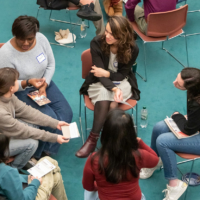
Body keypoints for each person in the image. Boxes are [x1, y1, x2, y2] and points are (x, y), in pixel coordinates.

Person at [0, 16, 73, 159]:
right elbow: (6, 85)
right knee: (50, 118)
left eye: (30, 39)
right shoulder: (5, 54)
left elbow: (51, 64)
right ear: (15, 35)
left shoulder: (42, 39)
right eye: (22, 39)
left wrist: (45, 83)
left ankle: (48, 150)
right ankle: (39, 154)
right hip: (21, 89)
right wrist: (28, 82)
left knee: (66, 114)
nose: (26, 43)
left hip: (44, 82)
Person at [77, 16, 140, 158]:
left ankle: (102, 140)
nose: (107, 35)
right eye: (106, 31)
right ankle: (96, 139)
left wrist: (107, 73)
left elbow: (122, 74)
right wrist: (114, 88)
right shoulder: (97, 42)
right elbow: (98, 74)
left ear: (123, 37)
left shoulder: (133, 48)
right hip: (99, 82)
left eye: (112, 34)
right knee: (106, 98)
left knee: (112, 106)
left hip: (122, 82)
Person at [139, 67, 200, 200]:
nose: (174, 83)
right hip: (196, 125)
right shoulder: (195, 92)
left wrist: (177, 116)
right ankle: (153, 162)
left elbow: (189, 129)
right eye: (176, 78)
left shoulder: (196, 102)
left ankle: (174, 184)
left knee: (163, 141)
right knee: (159, 127)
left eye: (178, 83)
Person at [0, 67, 69, 169]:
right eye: (16, 81)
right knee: (32, 143)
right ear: (11, 88)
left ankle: (24, 157)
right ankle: (12, 169)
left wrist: (55, 123)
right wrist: (54, 137)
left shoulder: (8, 96)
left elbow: (28, 112)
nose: (18, 83)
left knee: (32, 125)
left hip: (4, 134)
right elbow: (25, 131)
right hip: (1, 143)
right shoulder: (1, 112)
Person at [82, 109, 159, 200]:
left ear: (105, 133)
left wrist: (99, 186)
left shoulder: (94, 159)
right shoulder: (139, 155)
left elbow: (88, 186)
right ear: (131, 133)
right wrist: (140, 142)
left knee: (88, 193)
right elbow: (155, 160)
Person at [0, 134, 68, 200]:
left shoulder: (6, 171)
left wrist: (28, 177)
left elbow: (8, 179)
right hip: (27, 195)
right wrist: (35, 182)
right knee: (48, 161)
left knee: (56, 177)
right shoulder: (6, 171)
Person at [37, 0, 104, 35]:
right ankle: (102, 36)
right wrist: (80, 1)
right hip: (53, 1)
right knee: (94, 1)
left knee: (93, 0)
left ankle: (86, 9)